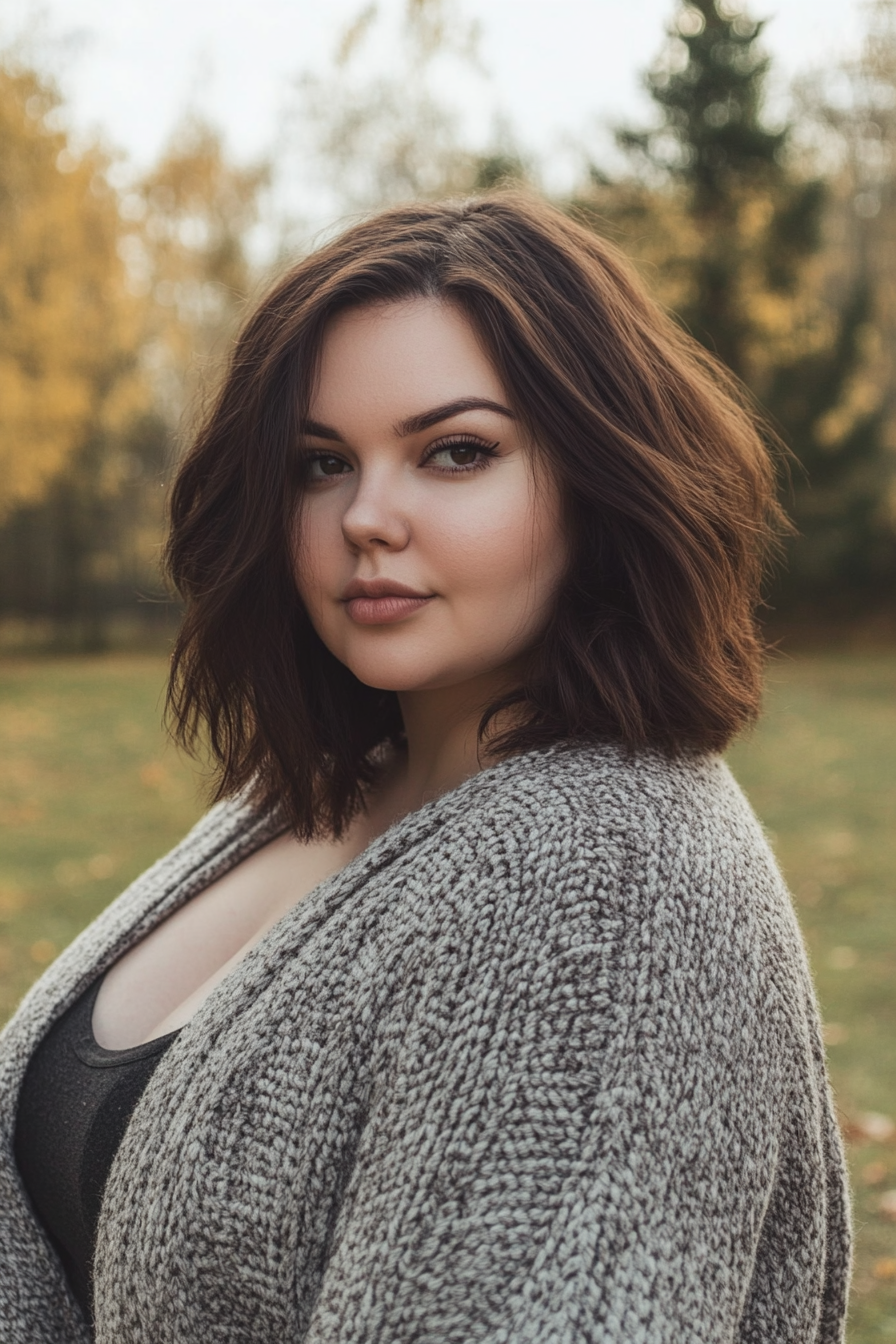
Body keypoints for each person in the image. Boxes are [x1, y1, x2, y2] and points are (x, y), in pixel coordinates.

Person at [1, 192, 850, 1344]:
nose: (366, 516)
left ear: (601, 478)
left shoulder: (604, 885)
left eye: (455, 452)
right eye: (318, 463)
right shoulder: (315, 785)